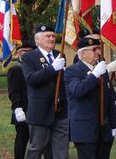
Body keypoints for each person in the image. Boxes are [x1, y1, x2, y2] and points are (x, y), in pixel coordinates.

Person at [65, 37, 116, 159]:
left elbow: (109, 98)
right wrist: (94, 75)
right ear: (83, 53)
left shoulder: (101, 70)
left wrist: (115, 123)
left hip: (104, 128)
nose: (98, 52)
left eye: (99, 49)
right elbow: (78, 90)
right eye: (94, 49)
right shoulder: (72, 71)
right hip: (84, 129)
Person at [21, 25, 69, 159]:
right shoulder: (29, 57)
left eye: (53, 36)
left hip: (60, 110)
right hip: (41, 111)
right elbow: (31, 79)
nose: (52, 38)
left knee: (61, 150)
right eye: (48, 36)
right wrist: (52, 68)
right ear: (37, 40)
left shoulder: (59, 54)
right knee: (36, 148)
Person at [7, 42, 33, 159]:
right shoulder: (16, 69)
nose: (27, 54)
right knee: (22, 139)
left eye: (30, 51)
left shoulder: (35, 67)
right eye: (24, 52)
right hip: (23, 109)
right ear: (18, 54)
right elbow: (14, 91)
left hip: (36, 109)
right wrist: (17, 108)